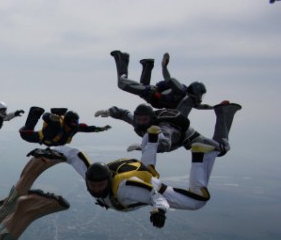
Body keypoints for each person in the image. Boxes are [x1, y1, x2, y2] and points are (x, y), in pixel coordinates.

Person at [50, 102, 241, 228]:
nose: (96, 189)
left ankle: (200, 156)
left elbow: (156, 196)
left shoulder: (126, 188)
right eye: (93, 185)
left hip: (160, 165)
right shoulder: (92, 176)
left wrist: (160, 211)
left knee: (198, 201)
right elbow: (75, 155)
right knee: (148, 166)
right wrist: (50, 151)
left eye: (99, 185)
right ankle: (152, 138)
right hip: (142, 167)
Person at [94, 99, 231, 155]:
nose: (141, 122)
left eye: (144, 119)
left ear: (151, 119)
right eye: (139, 119)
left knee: (221, 149)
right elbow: (124, 113)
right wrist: (108, 111)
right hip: (175, 140)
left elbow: (165, 144)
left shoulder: (163, 126)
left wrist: (142, 147)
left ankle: (223, 112)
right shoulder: (137, 121)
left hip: (189, 137)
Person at [110, 50, 208, 111]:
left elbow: (200, 107)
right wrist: (164, 66)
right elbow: (168, 78)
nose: (200, 98)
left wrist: (215, 107)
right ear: (194, 92)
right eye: (200, 95)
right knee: (121, 84)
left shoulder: (189, 101)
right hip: (151, 92)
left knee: (142, 86)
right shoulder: (181, 90)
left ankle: (148, 65)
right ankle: (122, 59)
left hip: (152, 96)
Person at [19, 106, 111, 147]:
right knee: (23, 133)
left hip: (54, 144)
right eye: (73, 122)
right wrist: (51, 117)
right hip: (41, 138)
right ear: (67, 121)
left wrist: (101, 129)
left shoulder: (75, 128)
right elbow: (45, 116)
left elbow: (89, 129)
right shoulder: (57, 123)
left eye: (76, 122)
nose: (74, 124)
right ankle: (35, 111)